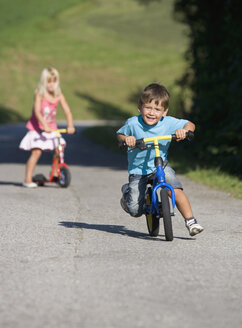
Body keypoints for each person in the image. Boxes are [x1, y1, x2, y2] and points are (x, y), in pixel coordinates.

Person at [116, 83, 203, 236]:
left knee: (174, 187)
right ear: (140, 107)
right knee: (135, 210)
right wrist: (127, 139)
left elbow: (190, 124)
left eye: (157, 109)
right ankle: (128, 192)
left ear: (164, 112)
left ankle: (191, 221)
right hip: (139, 170)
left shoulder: (168, 122)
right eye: (148, 107)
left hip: (160, 165)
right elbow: (120, 134)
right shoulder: (133, 123)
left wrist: (184, 130)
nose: (152, 113)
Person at [19, 67, 75, 188]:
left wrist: (70, 125)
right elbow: (37, 112)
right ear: (44, 82)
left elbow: (67, 111)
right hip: (38, 128)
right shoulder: (39, 93)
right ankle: (27, 179)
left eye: (54, 81)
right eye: (48, 81)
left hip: (52, 128)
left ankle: (55, 173)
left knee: (59, 148)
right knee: (37, 152)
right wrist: (44, 125)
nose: (51, 84)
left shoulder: (59, 95)